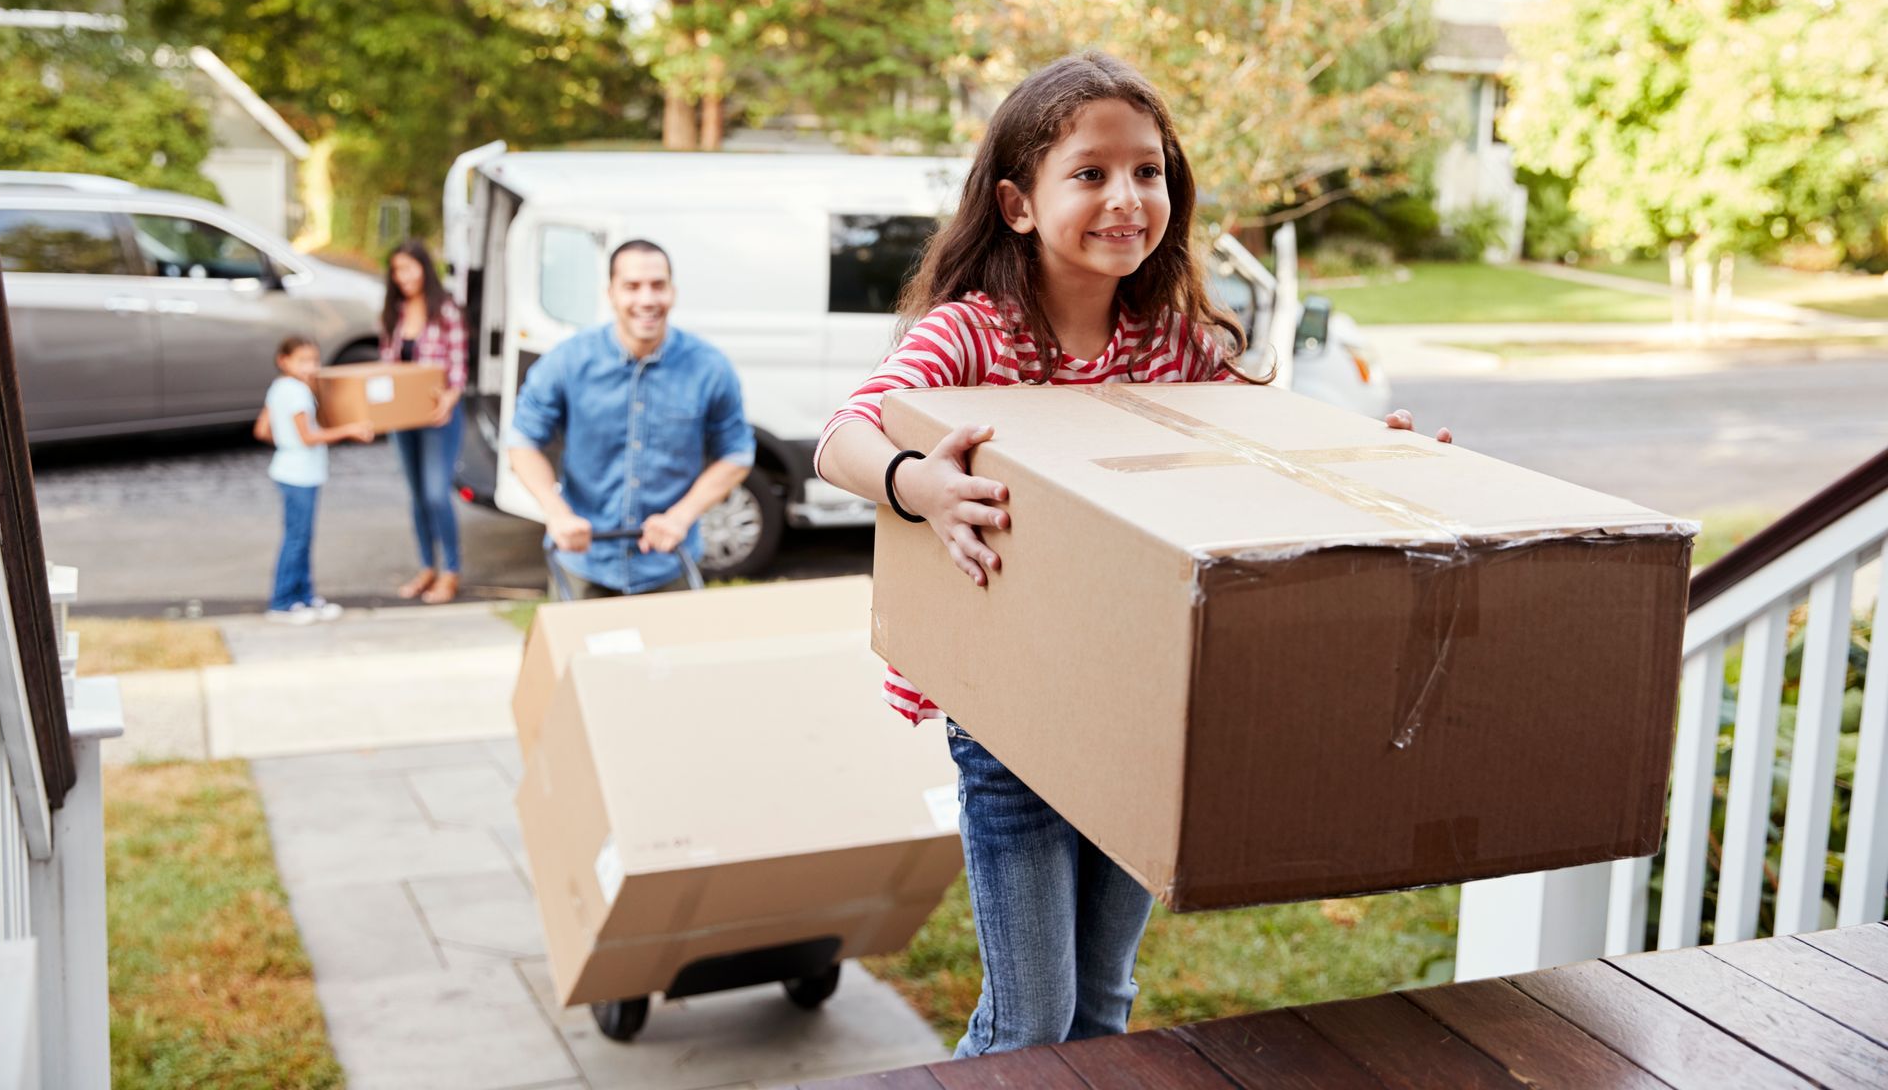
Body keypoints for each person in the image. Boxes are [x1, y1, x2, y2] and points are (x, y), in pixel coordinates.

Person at [815, 52, 1452, 1058]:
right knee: (1030, 1018)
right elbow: (842, 434)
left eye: (1148, 171)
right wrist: (919, 483)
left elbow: (1277, 449)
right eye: (1092, 172)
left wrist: (1389, 460)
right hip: (1012, 715)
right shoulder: (975, 335)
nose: (1127, 196)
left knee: (1104, 1005)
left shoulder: (1173, 344)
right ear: (1019, 203)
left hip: (1136, 709)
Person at [505, 238, 754, 597]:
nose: (647, 299)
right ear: (610, 293)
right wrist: (556, 512)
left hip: (670, 563)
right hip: (584, 565)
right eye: (632, 287)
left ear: (673, 291)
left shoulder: (710, 368)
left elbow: (737, 454)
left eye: (658, 285)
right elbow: (522, 441)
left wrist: (681, 516)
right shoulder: (566, 362)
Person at [256, 336, 372, 625]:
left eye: (314, 360)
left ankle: (305, 597)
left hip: (287, 468)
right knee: (297, 539)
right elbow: (308, 437)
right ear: (284, 361)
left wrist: (285, 442)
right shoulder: (298, 392)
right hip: (300, 474)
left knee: (301, 537)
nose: (310, 367)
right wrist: (349, 430)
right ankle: (283, 602)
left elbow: (262, 430)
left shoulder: (279, 388)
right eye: (303, 360)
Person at [380, 241, 470, 604]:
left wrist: (449, 398)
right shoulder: (393, 313)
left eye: (409, 268)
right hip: (403, 419)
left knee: (436, 494)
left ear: (424, 268)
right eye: (397, 270)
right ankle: (426, 567)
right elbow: (386, 368)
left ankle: (451, 571)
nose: (403, 277)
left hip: (439, 417)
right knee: (416, 496)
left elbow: (459, 368)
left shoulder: (446, 309)